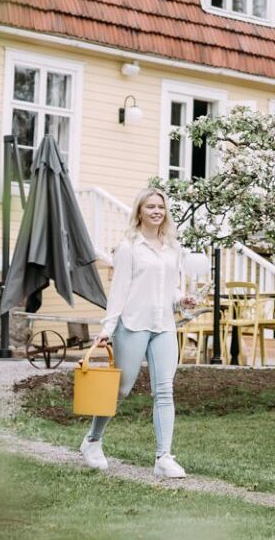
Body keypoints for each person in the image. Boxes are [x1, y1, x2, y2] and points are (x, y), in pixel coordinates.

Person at [80, 188, 198, 479]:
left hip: (164, 326)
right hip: (132, 325)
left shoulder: (172, 247)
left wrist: (182, 299)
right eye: (150, 207)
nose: (157, 211)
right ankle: (92, 440)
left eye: (161, 207)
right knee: (120, 389)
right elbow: (119, 291)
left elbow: (170, 288)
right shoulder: (128, 247)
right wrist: (107, 329)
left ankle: (164, 457)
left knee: (165, 390)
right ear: (140, 211)